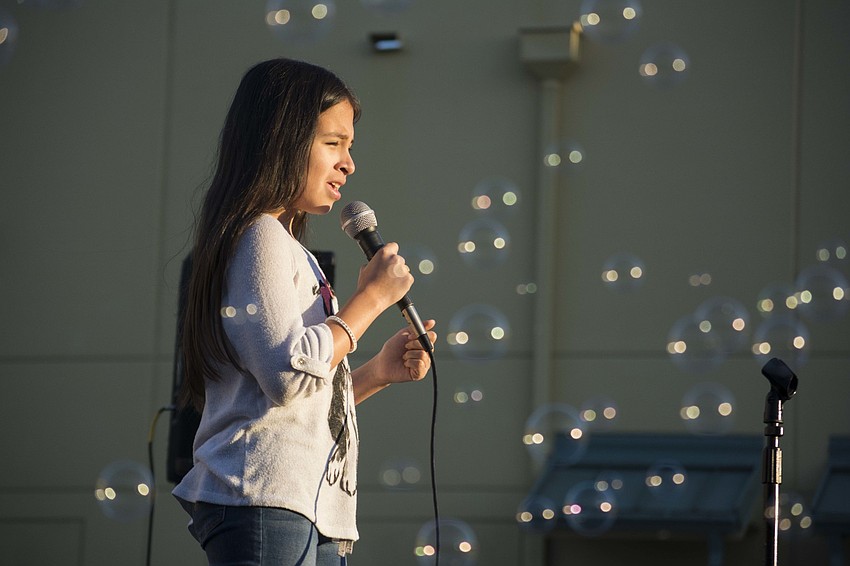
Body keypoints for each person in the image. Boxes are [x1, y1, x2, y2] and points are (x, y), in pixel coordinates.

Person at [172, 57, 437, 565]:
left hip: (306, 504)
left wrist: (376, 373)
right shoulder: (260, 235)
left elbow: (297, 406)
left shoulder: (290, 248)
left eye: (349, 147)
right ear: (282, 141)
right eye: (333, 143)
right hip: (264, 497)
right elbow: (286, 375)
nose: (348, 164)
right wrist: (370, 300)